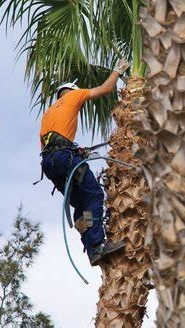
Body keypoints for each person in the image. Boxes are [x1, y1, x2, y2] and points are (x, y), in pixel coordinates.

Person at [40, 59, 130, 266]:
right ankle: (97, 244)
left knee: (81, 204)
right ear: (71, 91)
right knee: (95, 194)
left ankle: (92, 250)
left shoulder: (49, 112)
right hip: (64, 157)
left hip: (49, 164)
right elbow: (106, 89)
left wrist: (76, 151)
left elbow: (50, 144)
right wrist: (117, 71)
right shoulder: (74, 94)